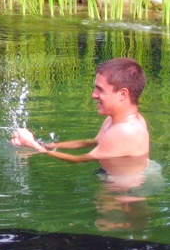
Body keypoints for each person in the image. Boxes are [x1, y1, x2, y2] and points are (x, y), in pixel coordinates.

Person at [10, 57, 150, 177]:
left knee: (106, 208)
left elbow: (77, 159)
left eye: (100, 89)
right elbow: (93, 142)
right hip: (115, 176)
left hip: (126, 190)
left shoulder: (125, 131)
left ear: (123, 94)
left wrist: (33, 145)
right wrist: (47, 145)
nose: (93, 95)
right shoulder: (115, 121)